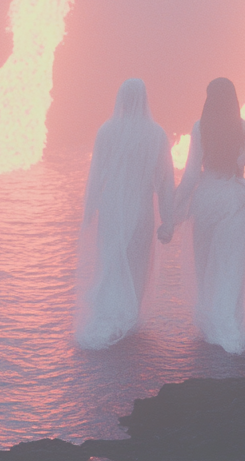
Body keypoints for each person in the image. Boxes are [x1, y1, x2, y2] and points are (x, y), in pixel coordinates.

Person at [173, 77, 245, 354]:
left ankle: (211, 330)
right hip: (239, 203)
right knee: (234, 270)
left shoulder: (200, 128)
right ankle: (230, 327)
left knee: (205, 269)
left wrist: (171, 214)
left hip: (206, 202)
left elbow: (188, 178)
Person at [75, 78, 175, 349]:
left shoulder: (106, 131)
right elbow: (166, 181)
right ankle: (129, 323)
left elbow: (96, 175)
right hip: (142, 208)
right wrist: (168, 219)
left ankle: (109, 317)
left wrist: (89, 211)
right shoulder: (156, 134)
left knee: (111, 263)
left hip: (111, 208)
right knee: (137, 265)